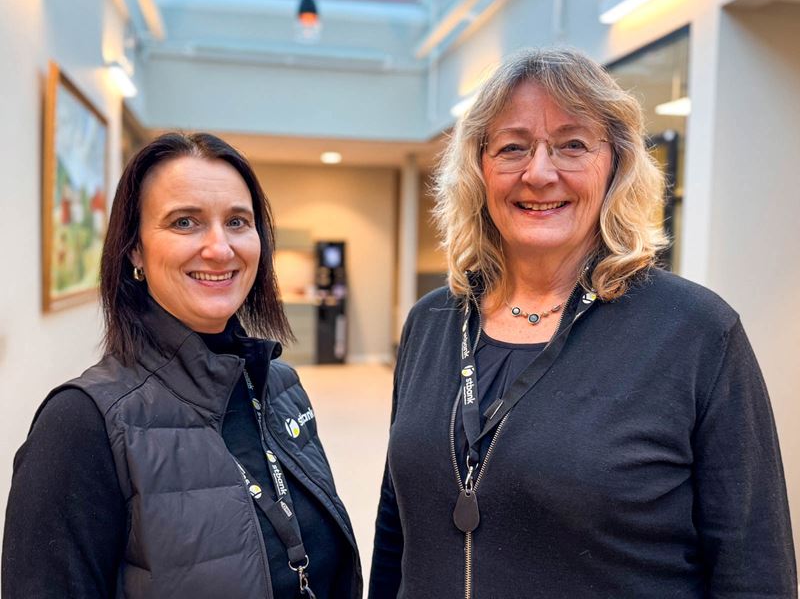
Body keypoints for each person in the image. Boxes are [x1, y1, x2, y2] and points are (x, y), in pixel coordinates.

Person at [369, 48, 796, 598]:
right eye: (512, 147)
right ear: (478, 169)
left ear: (616, 165)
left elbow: (753, 566)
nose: (539, 173)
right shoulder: (432, 323)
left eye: (572, 145)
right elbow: (397, 526)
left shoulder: (696, 332)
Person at [3, 132, 361, 598]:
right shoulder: (81, 424)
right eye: (185, 222)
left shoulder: (280, 386)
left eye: (237, 221)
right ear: (135, 249)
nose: (220, 248)